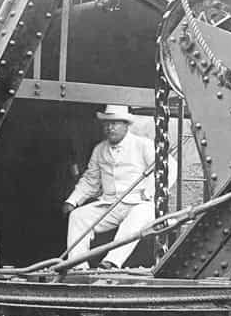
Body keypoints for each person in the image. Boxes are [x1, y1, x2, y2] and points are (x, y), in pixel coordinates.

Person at [62, 105, 176, 269]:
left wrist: (150, 191)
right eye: (107, 124)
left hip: (140, 204)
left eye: (115, 123)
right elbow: (90, 180)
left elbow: (170, 167)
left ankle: (111, 262)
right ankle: (78, 266)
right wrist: (72, 201)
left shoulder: (142, 145)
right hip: (110, 205)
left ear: (126, 125)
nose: (110, 128)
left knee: (137, 217)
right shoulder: (99, 149)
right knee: (78, 216)